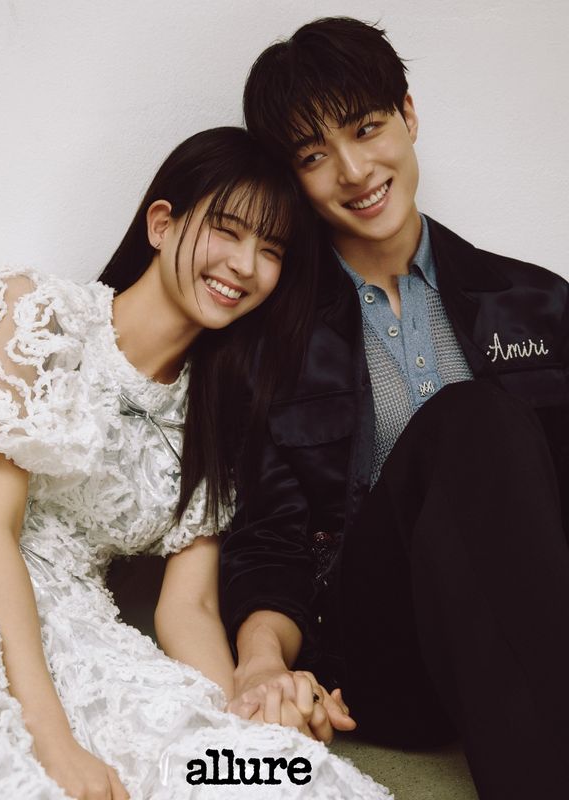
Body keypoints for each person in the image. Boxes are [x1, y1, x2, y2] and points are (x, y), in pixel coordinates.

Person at [0, 126, 390, 799]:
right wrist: (53, 741)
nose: (245, 265)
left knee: (277, 776)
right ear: (162, 224)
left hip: (82, 637)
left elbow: (190, 607)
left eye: (270, 250)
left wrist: (252, 708)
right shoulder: (35, 315)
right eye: (227, 230)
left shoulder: (217, 417)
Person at [220, 17, 569, 800]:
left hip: (537, 624)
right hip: (385, 659)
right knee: (471, 418)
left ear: (408, 115)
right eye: (314, 156)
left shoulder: (539, 302)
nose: (354, 171)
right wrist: (264, 663)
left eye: (366, 128)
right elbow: (267, 538)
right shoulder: (270, 344)